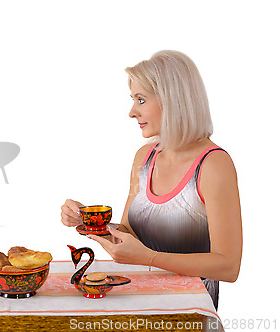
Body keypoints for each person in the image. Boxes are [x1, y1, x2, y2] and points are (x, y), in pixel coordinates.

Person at [61, 50, 242, 309]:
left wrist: (150, 257)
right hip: (139, 303)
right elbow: (127, 235)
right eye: (133, 99)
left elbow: (228, 266)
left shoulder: (214, 165)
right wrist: (90, 221)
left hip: (189, 313)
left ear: (173, 100)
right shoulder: (144, 158)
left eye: (141, 99)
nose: (132, 112)